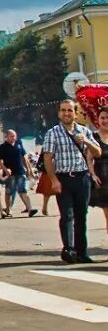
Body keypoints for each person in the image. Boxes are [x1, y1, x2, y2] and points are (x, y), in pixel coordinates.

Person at [40, 99, 100, 264]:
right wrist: (54, 180)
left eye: (70, 110)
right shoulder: (53, 133)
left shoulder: (84, 131)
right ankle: (69, 250)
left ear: (75, 113)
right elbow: (48, 159)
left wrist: (86, 141)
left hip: (82, 178)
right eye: (63, 110)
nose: (66, 113)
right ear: (59, 113)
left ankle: (82, 252)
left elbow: (98, 152)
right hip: (63, 179)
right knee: (66, 215)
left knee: (82, 216)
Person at [0, 130, 39, 217]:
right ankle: (8, 210)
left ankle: (30, 209)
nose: (14, 138)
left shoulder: (18, 144)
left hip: (20, 171)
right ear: (7, 137)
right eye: (11, 136)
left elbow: (24, 157)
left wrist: (28, 169)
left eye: (14, 136)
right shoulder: (3, 147)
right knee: (9, 192)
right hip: (10, 174)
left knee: (23, 190)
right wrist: (5, 170)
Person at [88, 108, 108, 232]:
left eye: (107, 118)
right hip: (103, 179)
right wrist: (93, 174)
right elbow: (89, 159)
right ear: (98, 120)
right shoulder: (94, 137)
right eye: (102, 118)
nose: (105, 120)